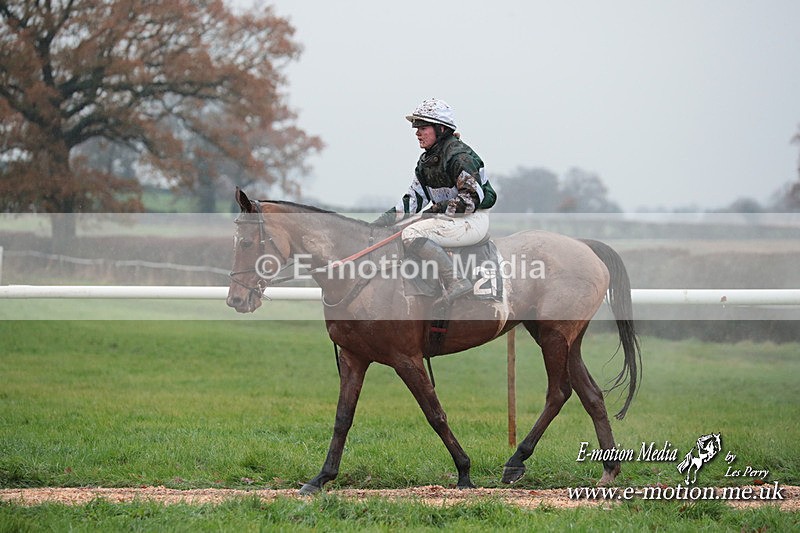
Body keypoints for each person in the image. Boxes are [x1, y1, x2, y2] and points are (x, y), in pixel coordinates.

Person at [373, 98, 497, 304]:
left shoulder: (460, 157)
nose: (417, 132)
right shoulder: (426, 161)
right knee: (398, 230)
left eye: (422, 127)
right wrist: (381, 222)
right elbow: (413, 201)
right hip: (450, 219)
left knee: (412, 233)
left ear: (441, 129)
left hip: (473, 219)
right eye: (416, 127)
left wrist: (437, 208)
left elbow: (470, 200)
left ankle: (456, 281)